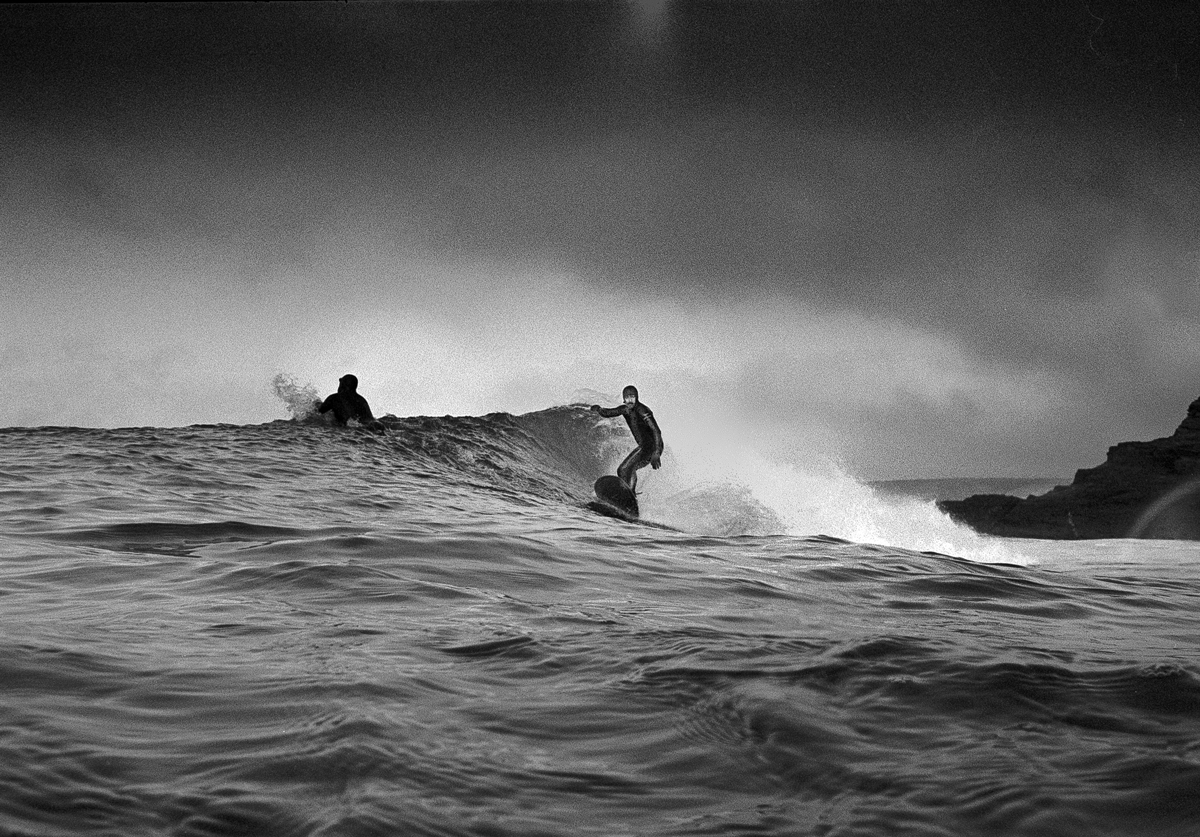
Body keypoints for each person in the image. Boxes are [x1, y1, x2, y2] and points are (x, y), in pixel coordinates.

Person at [591, 385, 663, 491]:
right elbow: (609, 413)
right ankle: (629, 494)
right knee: (627, 470)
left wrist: (656, 452)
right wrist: (599, 409)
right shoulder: (624, 409)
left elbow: (656, 431)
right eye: (627, 397)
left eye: (632, 397)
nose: (630, 400)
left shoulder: (642, 410)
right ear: (624, 399)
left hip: (653, 446)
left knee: (623, 470)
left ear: (637, 397)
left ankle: (629, 493)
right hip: (645, 447)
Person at [315, 374, 384, 432]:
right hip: (375, 425)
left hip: (353, 429)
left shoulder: (334, 398)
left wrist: (314, 405)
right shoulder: (362, 400)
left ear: (342, 385)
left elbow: (317, 414)